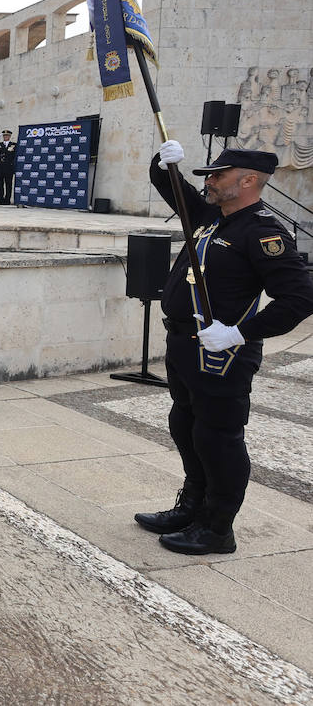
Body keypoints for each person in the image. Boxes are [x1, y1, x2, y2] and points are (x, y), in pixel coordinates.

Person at [133, 143, 313, 555]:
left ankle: (217, 527)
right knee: (186, 426)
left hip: (222, 353)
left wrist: (239, 333)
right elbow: (171, 186)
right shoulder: (211, 215)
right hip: (183, 344)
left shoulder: (263, 232)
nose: (208, 181)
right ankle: (192, 507)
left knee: (219, 439)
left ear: (248, 181)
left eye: (218, 175)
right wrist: (161, 163)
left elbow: (300, 299)